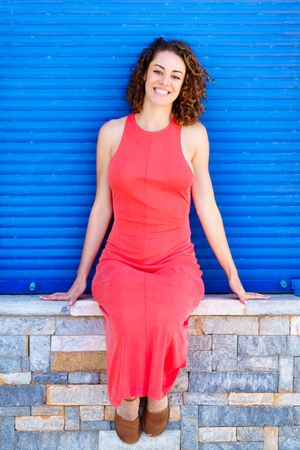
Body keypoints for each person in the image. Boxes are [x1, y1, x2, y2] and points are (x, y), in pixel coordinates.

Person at [40, 37, 271, 444]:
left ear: (185, 86)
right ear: (144, 74)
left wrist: (233, 274)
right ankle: (129, 399)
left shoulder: (194, 137)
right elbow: (101, 207)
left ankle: (159, 394)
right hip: (121, 261)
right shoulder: (111, 133)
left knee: (165, 317)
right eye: (159, 71)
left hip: (176, 262)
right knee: (128, 319)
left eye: (175, 76)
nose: (165, 81)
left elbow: (208, 207)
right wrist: (81, 277)